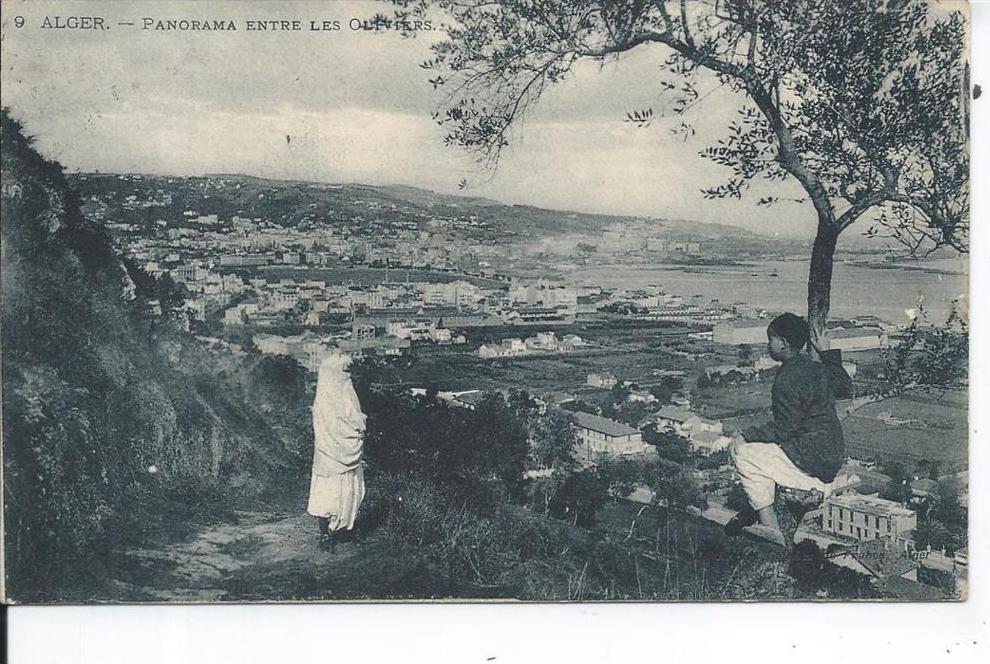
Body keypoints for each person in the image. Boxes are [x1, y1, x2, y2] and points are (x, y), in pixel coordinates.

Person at [724, 313, 853, 546]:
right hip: (832, 455)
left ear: (782, 343)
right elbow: (844, 387)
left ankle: (770, 525)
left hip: (811, 457)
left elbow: (785, 429)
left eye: (771, 339)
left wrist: (746, 435)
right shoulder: (816, 369)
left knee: (742, 453)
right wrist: (827, 352)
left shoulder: (787, 378)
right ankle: (769, 507)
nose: (768, 344)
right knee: (763, 451)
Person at [307, 350, 366, 553]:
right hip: (330, 454)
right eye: (345, 371)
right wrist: (355, 430)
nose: (348, 375)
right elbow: (339, 422)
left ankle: (347, 529)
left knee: (347, 491)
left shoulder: (344, 390)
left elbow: (354, 417)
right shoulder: (326, 398)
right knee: (329, 493)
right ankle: (326, 534)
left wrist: (354, 430)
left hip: (341, 451)